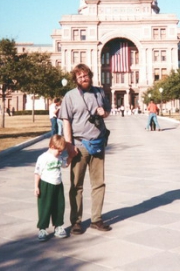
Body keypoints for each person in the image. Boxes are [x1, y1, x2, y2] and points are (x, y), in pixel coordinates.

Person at [59, 63, 112, 234]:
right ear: (75, 79)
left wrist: (104, 113)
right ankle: (76, 221)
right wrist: (69, 145)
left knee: (99, 183)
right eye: (80, 76)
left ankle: (96, 219)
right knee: (76, 185)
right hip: (79, 144)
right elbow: (66, 121)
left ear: (90, 75)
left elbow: (107, 112)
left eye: (86, 75)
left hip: (98, 143)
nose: (84, 78)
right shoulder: (70, 96)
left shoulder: (100, 92)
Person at [34, 134, 70, 241]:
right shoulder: (43, 158)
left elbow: (65, 164)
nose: (60, 153)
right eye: (59, 151)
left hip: (58, 185)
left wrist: (71, 157)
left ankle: (58, 226)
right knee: (45, 207)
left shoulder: (59, 157)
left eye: (62, 151)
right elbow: (37, 173)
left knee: (59, 206)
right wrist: (36, 186)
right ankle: (42, 228)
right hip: (46, 185)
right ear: (52, 146)